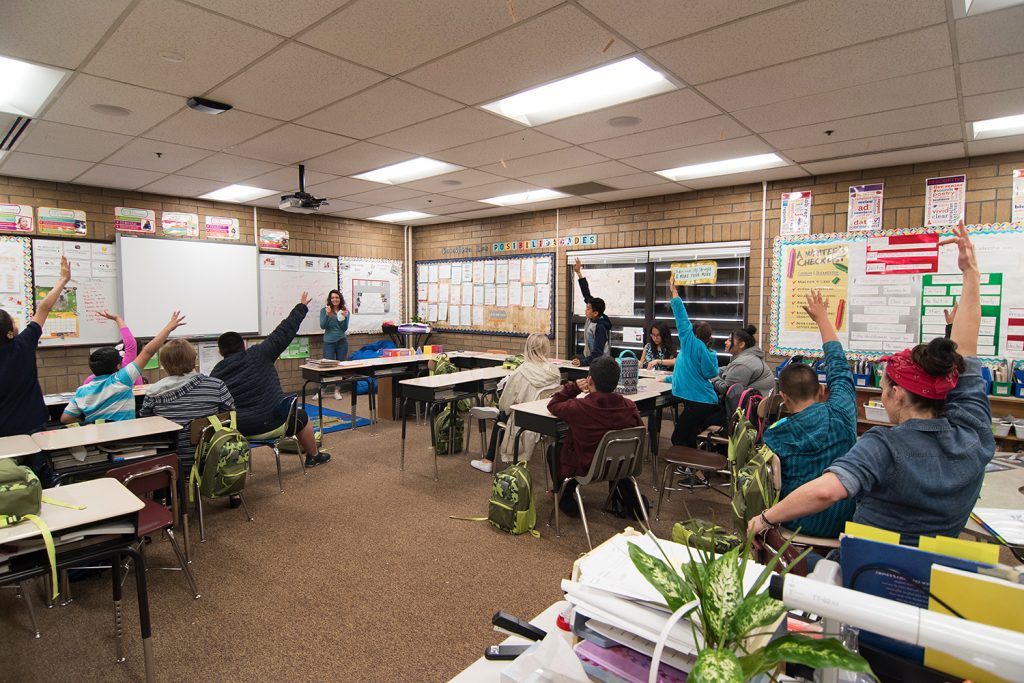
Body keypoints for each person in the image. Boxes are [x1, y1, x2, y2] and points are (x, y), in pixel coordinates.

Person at [750, 222, 994, 546]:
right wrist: (971, 274)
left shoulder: (884, 447)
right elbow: (967, 355)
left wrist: (765, 518)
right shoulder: (972, 431)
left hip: (870, 567)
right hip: (937, 569)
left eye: (883, 387)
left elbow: (826, 490)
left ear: (897, 393)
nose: (881, 393)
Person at [762, 290, 857, 538]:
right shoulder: (841, 414)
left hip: (792, 520)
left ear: (784, 397)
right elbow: (840, 369)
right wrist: (823, 319)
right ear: (823, 390)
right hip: (843, 521)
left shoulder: (774, 435)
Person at [212, 292, 331, 468]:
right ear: (243, 345)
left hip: (240, 430)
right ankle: (314, 456)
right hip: (276, 422)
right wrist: (302, 306)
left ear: (221, 352)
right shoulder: (260, 353)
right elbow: (284, 331)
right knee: (302, 416)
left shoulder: (216, 373)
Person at [547, 356, 643, 518]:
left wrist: (573, 388)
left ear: (589, 379)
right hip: (620, 465)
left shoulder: (580, 407)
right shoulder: (629, 406)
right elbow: (640, 430)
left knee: (554, 449)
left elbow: (553, 405)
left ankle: (565, 499)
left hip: (588, 466)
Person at [62, 311, 186, 424]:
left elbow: (65, 419)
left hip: (97, 442)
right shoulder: (122, 379)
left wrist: (86, 423)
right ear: (118, 366)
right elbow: (148, 351)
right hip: (127, 439)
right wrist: (168, 328)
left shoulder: (81, 391)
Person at [139, 338, 235, 481]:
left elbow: (145, 422)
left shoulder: (153, 393)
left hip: (170, 462)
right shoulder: (216, 386)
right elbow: (230, 415)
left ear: (164, 363)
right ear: (194, 359)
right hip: (211, 457)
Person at [0, 256, 71, 437]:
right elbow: (43, 309)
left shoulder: (22, 344)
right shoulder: (22, 345)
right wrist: (63, 280)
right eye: (13, 322)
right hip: (33, 426)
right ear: (9, 333)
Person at [469, 333, 561, 473]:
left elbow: (505, 404)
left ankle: (488, 460)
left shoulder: (521, 372)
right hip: (546, 419)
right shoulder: (554, 371)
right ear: (546, 348)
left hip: (525, 419)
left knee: (501, 415)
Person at [667, 279, 721, 449]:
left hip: (698, 402)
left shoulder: (692, 345)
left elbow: (682, 319)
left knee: (678, 438)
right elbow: (700, 374)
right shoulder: (707, 352)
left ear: (692, 334)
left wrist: (674, 293)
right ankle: (694, 473)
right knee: (689, 436)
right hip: (705, 401)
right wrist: (669, 379)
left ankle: (693, 469)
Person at [712, 324, 775, 397]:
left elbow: (726, 389)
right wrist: (713, 369)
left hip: (750, 406)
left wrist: (712, 376)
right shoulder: (748, 358)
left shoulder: (743, 363)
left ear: (741, 344)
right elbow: (728, 368)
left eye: (729, 340)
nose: (725, 342)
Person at [571, 257, 611, 367]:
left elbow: (598, 352)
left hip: (601, 364)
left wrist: (583, 362)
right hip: (591, 360)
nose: (586, 310)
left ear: (596, 313)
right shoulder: (591, 319)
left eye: (588, 309)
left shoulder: (600, 327)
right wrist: (579, 273)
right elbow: (586, 293)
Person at [84, 311, 142, 386]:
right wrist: (117, 319)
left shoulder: (89, 381)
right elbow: (131, 344)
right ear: (118, 366)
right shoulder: (123, 376)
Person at [320, 289, 351, 400]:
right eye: (332, 297)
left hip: (342, 342)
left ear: (340, 299)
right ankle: (322, 390)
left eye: (337, 297)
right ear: (330, 299)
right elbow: (322, 326)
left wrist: (344, 317)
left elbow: (344, 328)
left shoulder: (344, 311)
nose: (335, 299)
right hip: (329, 342)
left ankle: (337, 390)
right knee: (327, 367)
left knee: (340, 367)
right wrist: (328, 315)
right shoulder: (324, 310)